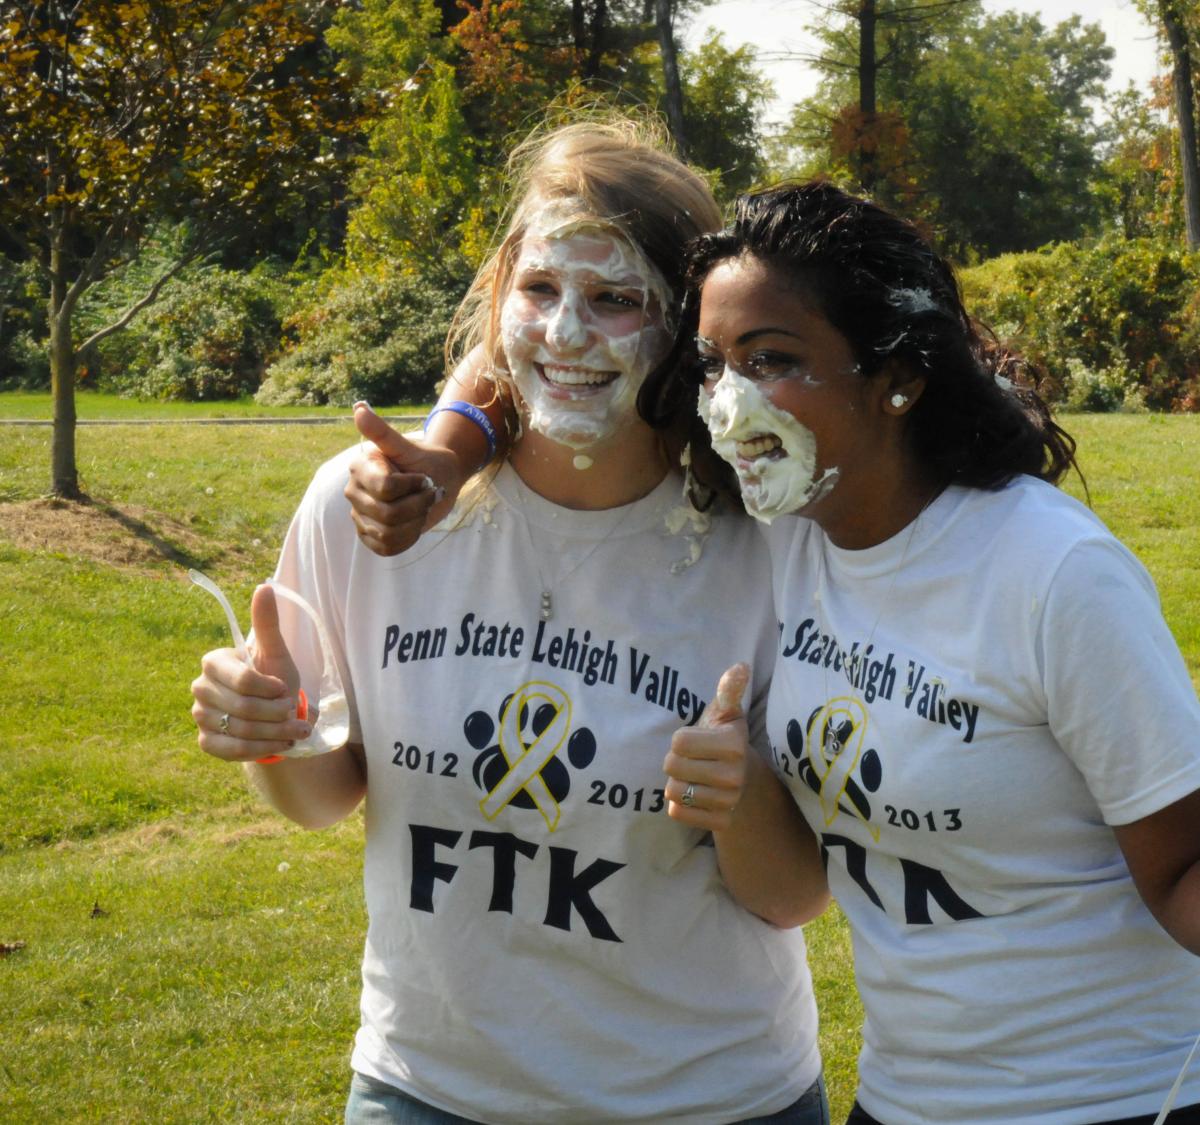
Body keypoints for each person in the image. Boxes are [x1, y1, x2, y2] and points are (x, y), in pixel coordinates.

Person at [356, 180, 1200, 1125]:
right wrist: (449, 448)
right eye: (712, 365)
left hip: (1121, 1099)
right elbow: (553, 344)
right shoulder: (788, 529)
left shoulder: (1050, 571)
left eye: (773, 359)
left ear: (901, 376)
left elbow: (1190, 866)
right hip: (908, 1101)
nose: (730, 403)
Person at [189, 120, 829, 1125]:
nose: (567, 334)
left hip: (707, 1099)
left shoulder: (773, 549)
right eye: (540, 291)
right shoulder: (372, 513)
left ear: (686, 334)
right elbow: (325, 799)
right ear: (499, 298)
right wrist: (267, 732)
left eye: (616, 299)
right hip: (426, 1089)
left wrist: (742, 797)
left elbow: (792, 897)